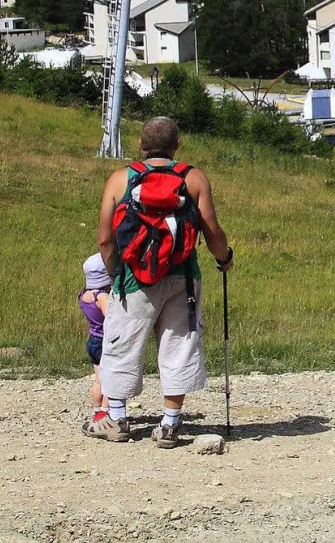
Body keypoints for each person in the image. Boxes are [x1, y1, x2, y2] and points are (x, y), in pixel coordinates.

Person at [86, 117, 234, 447]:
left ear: (141, 144)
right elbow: (212, 230)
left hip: (133, 278)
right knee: (178, 346)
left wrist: (115, 273)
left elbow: (105, 239)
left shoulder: (121, 179)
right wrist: (224, 259)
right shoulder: (193, 178)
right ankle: (169, 424)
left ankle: (117, 419)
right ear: (176, 145)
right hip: (183, 276)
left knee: (122, 345)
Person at [79, 254, 111, 424]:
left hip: (92, 339)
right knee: (110, 380)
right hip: (105, 341)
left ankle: (96, 410)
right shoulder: (101, 296)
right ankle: (105, 413)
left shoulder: (84, 295)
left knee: (98, 379)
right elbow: (110, 318)